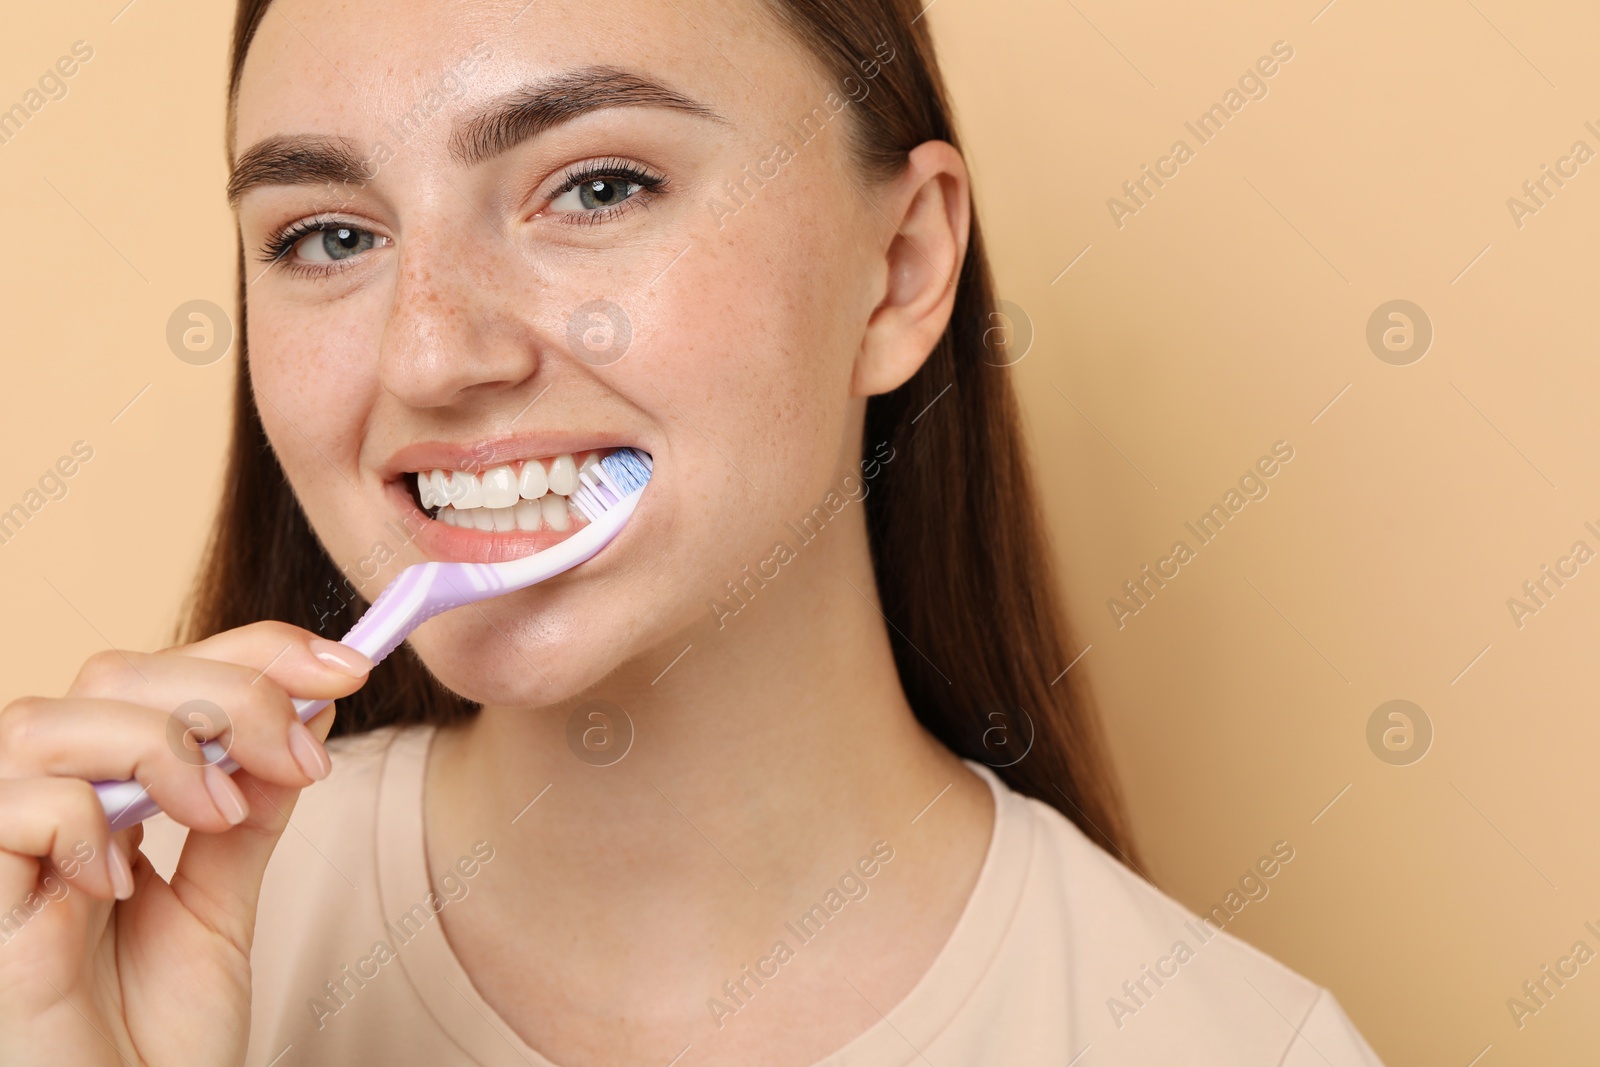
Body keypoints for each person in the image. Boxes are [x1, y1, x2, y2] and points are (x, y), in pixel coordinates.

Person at [0, 0, 1385, 1063]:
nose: (429, 354)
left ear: (901, 268)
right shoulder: (86, 946)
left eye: (598, 187)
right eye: (325, 237)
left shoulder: (1227, 1043)